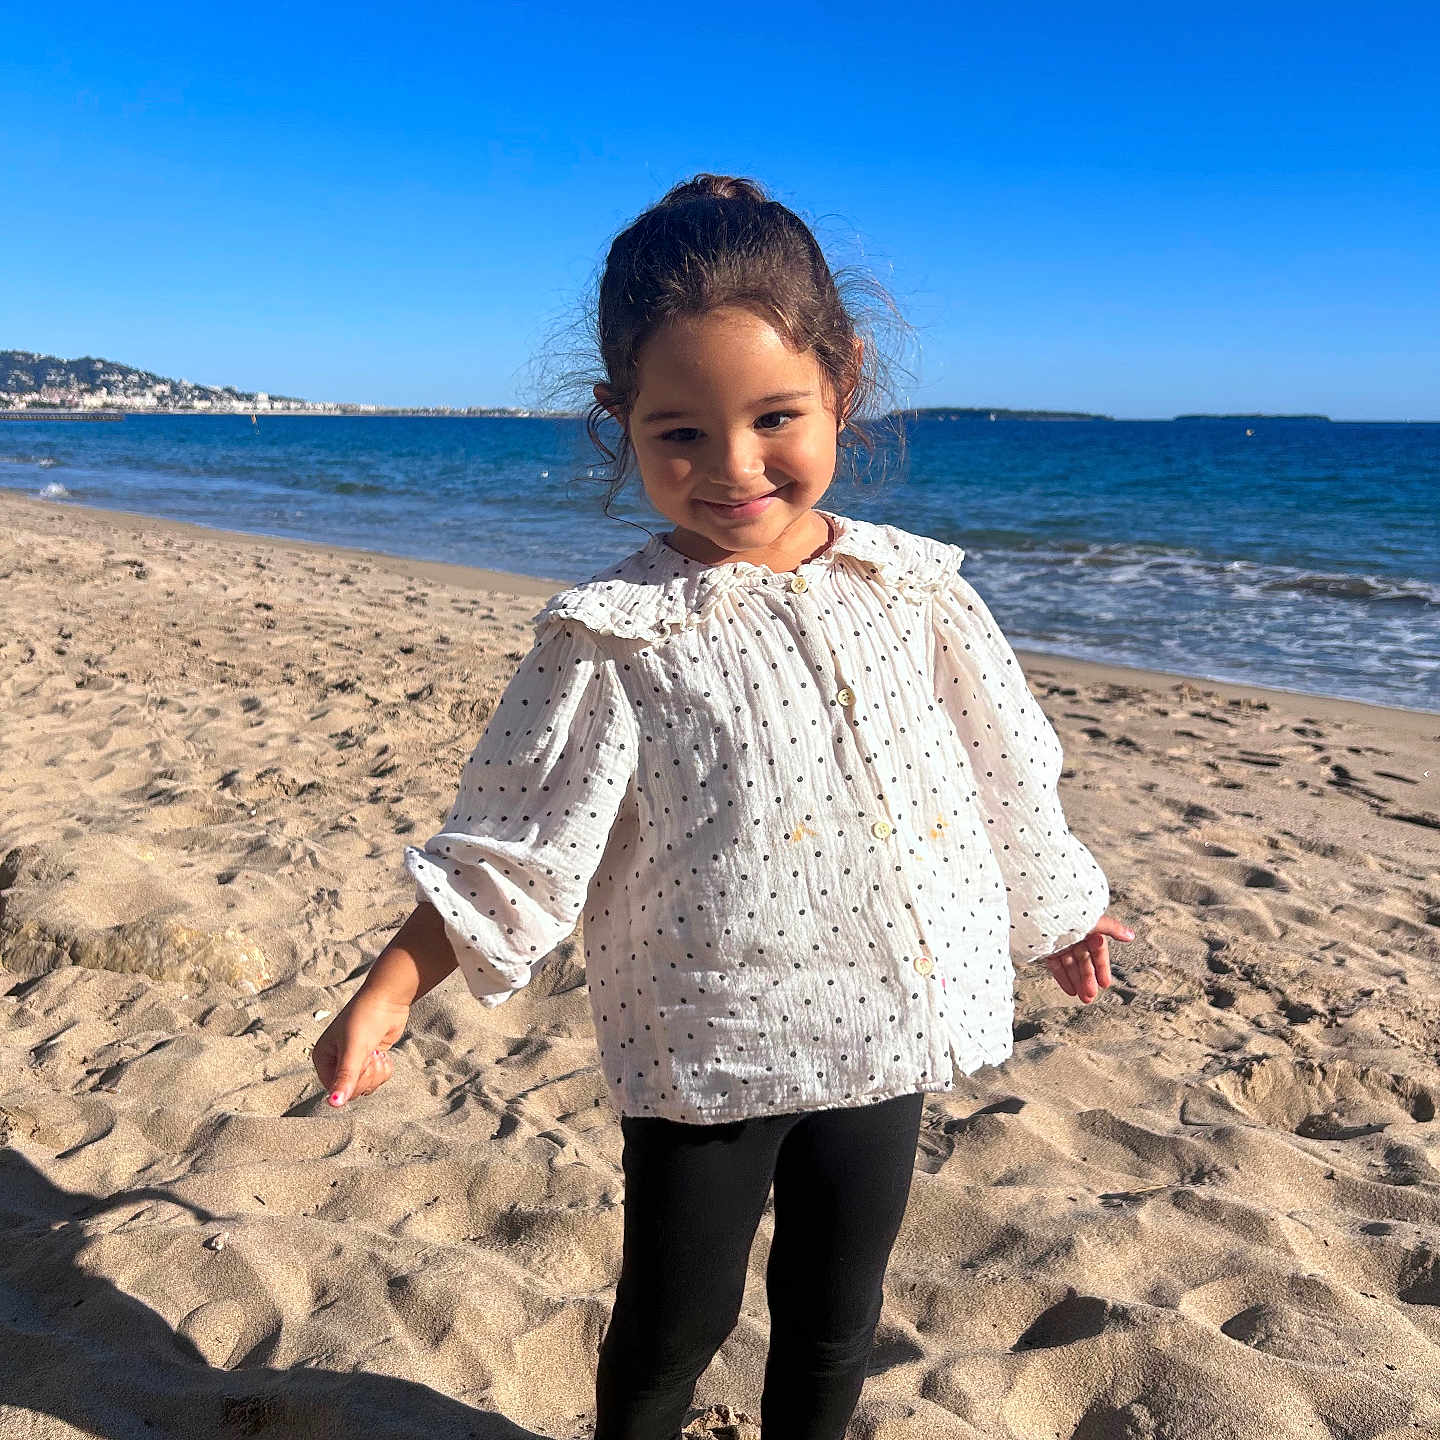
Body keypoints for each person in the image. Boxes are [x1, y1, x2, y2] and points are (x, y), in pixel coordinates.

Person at [311, 173, 1134, 1440]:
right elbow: (519, 847)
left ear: (842, 385)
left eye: (775, 417)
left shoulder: (914, 591)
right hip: (712, 1050)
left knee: (831, 1313)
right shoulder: (612, 639)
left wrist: (1063, 905)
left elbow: (1005, 766)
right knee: (671, 1326)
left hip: (884, 1025)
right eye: (680, 432)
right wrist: (391, 985)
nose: (735, 467)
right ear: (618, 422)